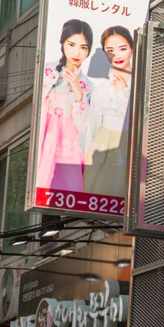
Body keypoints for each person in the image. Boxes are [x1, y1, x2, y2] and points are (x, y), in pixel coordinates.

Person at [36, 20, 93, 194]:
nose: (77, 52)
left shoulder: (87, 85)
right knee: (41, 180)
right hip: (47, 134)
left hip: (69, 140)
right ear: (62, 43)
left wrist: (78, 92)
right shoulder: (46, 71)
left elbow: (82, 127)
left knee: (68, 185)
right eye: (72, 44)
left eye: (83, 47)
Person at [84, 26, 134, 198]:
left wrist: (125, 90)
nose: (117, 55)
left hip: (131, 145)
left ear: (132, 49)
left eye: (122, 49)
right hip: (103, 147)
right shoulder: (101, 90)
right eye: (110, 51)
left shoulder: (142, 85)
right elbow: (93, 129)